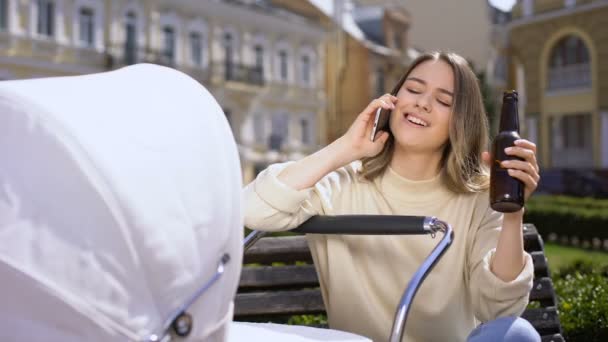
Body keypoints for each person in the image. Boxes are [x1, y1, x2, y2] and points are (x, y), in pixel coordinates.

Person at [243, 51, 541, 342]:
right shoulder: (341, 183)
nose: (422, 103)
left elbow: (500, 310)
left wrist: (512, 214)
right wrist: (346, 147)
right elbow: (251, 210)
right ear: (393, 101)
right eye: (413, 89)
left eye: (443, 100)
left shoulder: (479, 197)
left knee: (519, 334)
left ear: (461, 122)